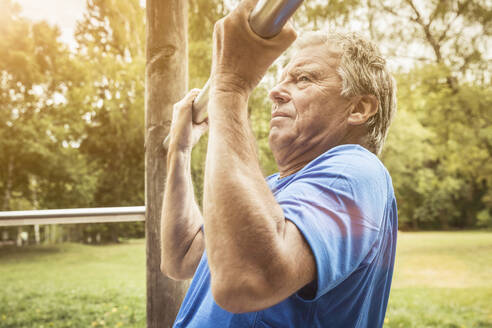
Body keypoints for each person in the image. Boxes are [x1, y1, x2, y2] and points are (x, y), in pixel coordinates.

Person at [160, 0, 398, 326]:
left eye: (302, 79)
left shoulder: (356, 170)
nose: (275, 92)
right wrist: (180, 150)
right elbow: (182, 256)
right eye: (281, 79)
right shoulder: (273, 188)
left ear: (358, 108)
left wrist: (231, 85)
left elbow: (246, 279)